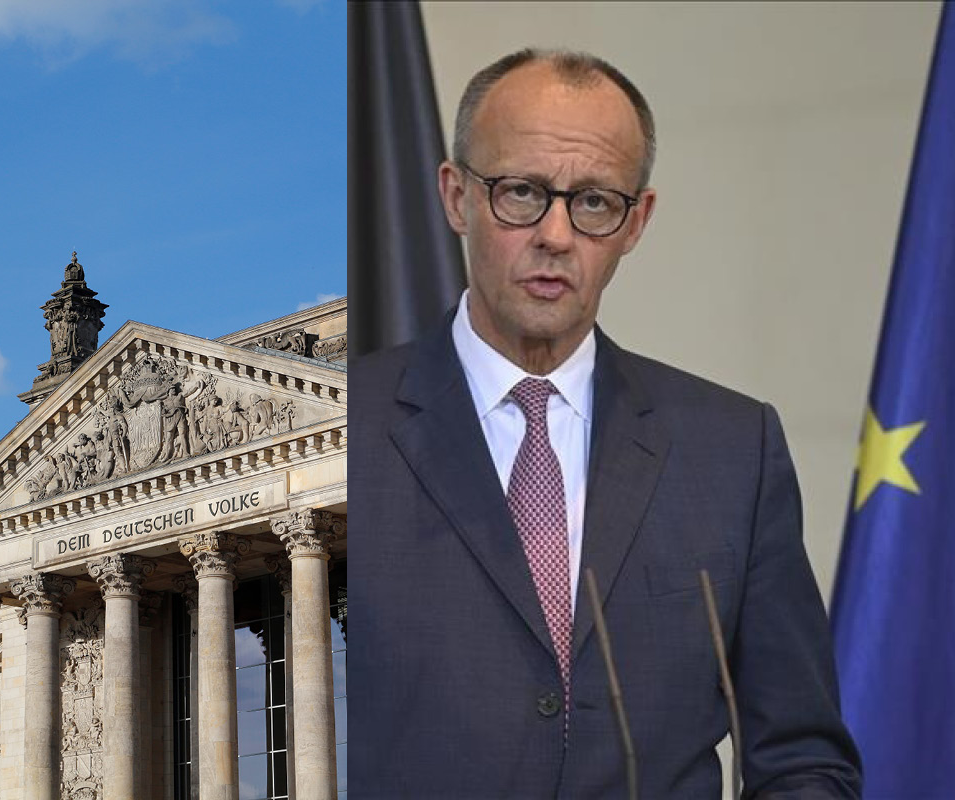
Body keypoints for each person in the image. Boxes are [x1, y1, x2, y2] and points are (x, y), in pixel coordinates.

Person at [349, 49, 862, 798]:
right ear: (456, 197)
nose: (556, 235)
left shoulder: (732, 450)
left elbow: (804, 762)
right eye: (521, 193)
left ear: (636, 221)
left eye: (593, 202)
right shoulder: (350, 430)